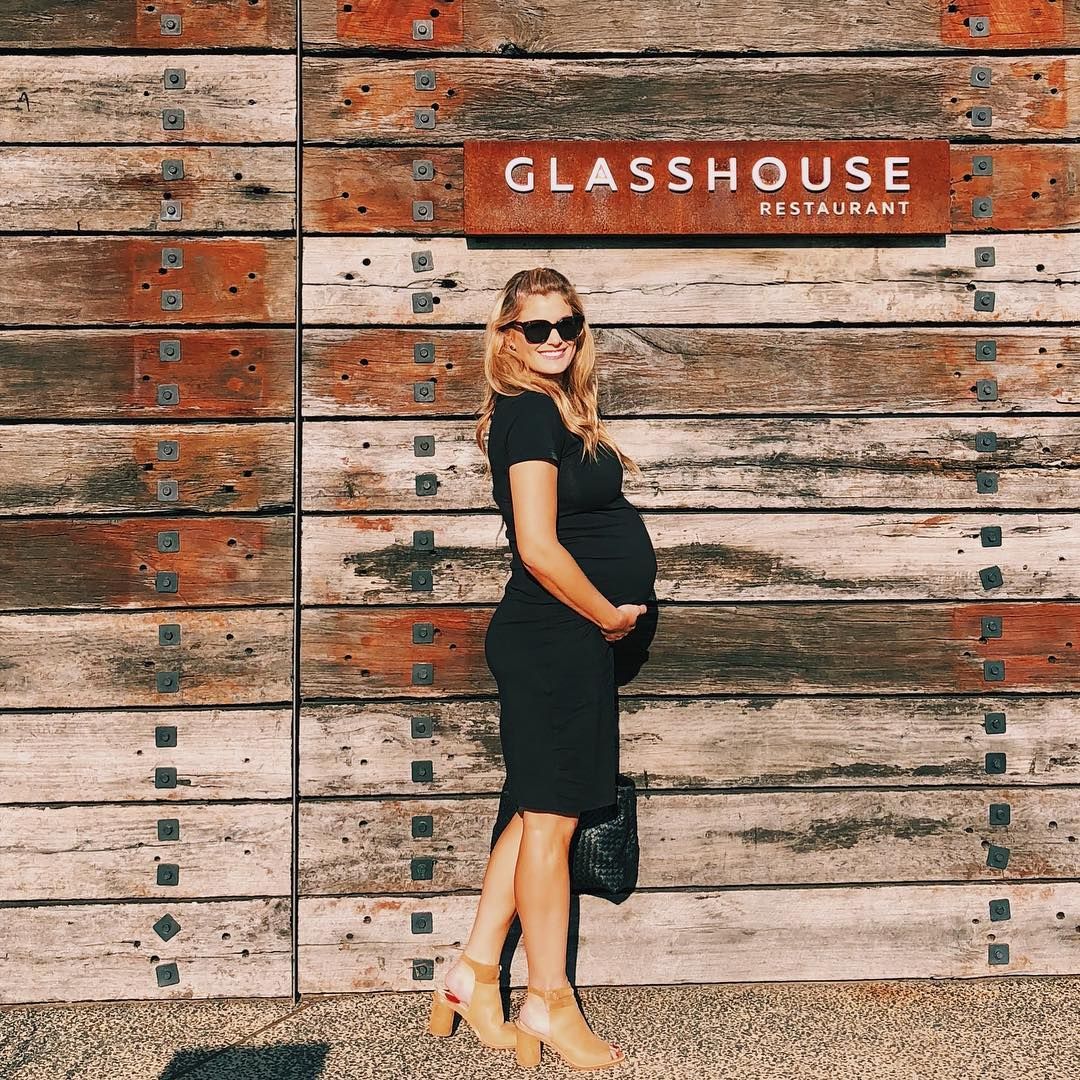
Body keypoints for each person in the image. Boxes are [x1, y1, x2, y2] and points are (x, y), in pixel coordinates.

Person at [426, 267, 658, 1070]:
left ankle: (471, 976)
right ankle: (549, 1002)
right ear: (506, 337)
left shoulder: (558, 408)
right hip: (557, 639)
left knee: (533, 815)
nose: (555, 339)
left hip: (563, 641)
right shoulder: (527, 413)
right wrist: (608, 616)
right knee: (553, 827)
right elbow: (537, 546)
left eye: (568, 325)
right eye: (537, 327)